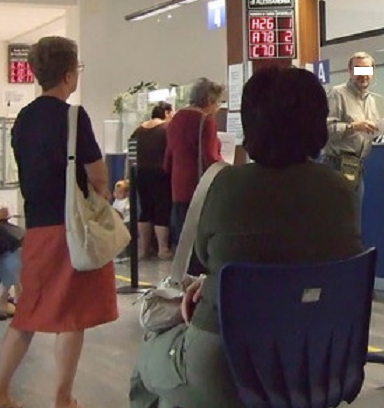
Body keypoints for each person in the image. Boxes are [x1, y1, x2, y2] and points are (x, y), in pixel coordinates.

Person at [130, 66, 363, 408]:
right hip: (319, 362)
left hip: (227, 365)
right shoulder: (341, 192)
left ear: (251, 124)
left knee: (148, 368)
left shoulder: (226, 185)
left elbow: (206, 257)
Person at [0, 36, 118, 408]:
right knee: (73, 315)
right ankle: (62, 398)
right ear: (68, 75)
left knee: (27, 313)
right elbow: (97, 175)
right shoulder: (73, 117)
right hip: (72, 228)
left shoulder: (23, 120)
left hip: (38, 228)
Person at [321, 51, 381, 230]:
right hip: (336, 166)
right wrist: (353, 127)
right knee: (337, 222)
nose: (363, 75)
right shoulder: (338, 94)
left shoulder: (370, 100)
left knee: (354, 222)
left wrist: (378, 131)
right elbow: (325, 130)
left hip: (357, 167)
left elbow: (369, 129)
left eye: (367, 70)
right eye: (358, 69)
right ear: (350, 70)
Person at [164, 79, 223, 250]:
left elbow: (169, 154)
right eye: (217, 102)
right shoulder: (206, 121)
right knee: (198, 239)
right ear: (210, 100)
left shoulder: (176, 119)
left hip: (178, 184)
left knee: (183, 238)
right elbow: (210, 157)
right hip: (198, 185)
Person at [129, 101, 173, 259]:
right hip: (161, 173)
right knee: (162, 208)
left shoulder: (138, 130)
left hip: (140, 173)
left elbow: (131, 155)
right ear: (166, 113)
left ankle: (144, 249)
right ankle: (163, 249)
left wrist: (130, 175)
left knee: (145, 210)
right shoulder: (167, 129)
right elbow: (172, 152)